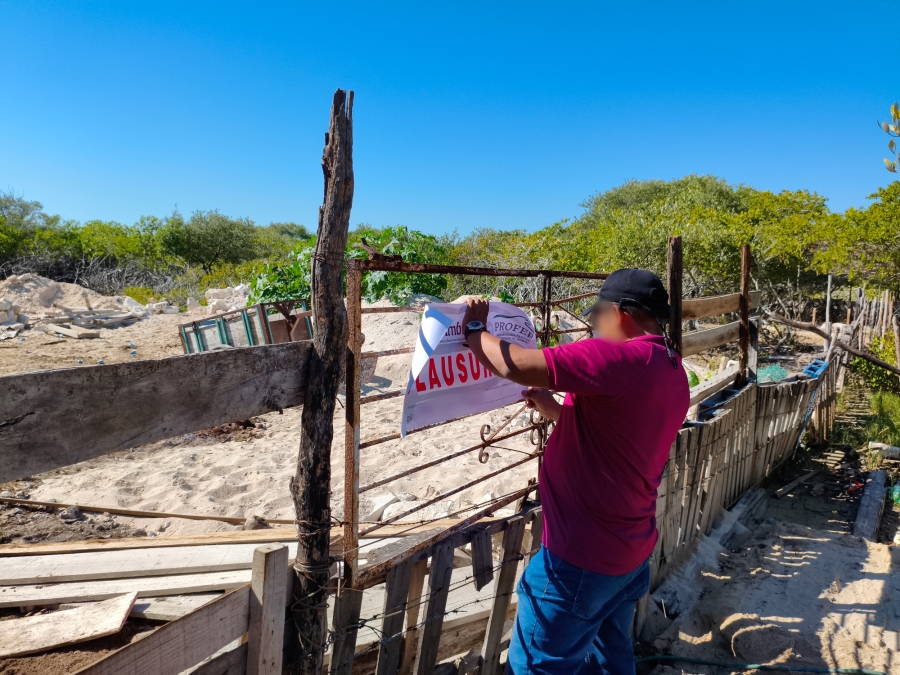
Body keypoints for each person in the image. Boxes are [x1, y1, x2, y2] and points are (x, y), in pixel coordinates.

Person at [460, 268, 689, 675]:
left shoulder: (618, 356)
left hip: (581, 558)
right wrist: (556, 409)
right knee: (609, 657)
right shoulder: (671, 366)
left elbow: (515, 365)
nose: (594, 325)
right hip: (630, 550)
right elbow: (620, 432)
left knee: (537, 665)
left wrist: (475, 329)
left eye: (597, 315)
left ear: (619, 313)